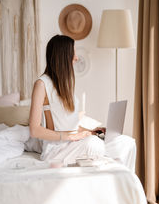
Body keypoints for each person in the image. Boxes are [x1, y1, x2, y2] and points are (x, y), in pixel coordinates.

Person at [28, 34, 136, 171]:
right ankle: (105, 172)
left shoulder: (65, 85)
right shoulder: (42, 84)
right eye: (73, 53)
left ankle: (120, 183)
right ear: (63, 56)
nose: (76, 57)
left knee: (127, 143)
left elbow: (70, 125)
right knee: (94, 144)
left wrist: (91, 132)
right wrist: (71, 137)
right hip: (56, 150)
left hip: (74, 144)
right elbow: (34, 130)